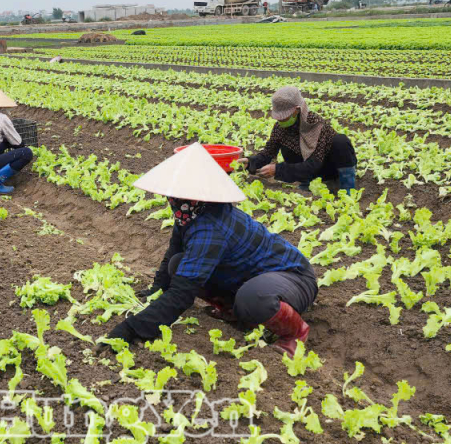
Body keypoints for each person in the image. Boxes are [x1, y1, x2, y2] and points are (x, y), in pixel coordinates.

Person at [104, 143, 317, 356]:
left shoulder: (211, 226)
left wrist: (129, 330)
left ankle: (295, 333)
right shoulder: (191, 212)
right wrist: (157, 288)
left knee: (251, 299)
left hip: (293, 278)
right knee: (177, 264)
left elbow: (182, 294)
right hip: (249, 275)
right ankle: (233, 310)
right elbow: (175, 248)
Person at [240, 86, 357, 193]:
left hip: (327, 170)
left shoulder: (316, 125)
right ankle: (307, 183)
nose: (280, 120)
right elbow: (268, 152)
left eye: (284, 116)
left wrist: (278, 170)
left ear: (296, 110)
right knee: (289, 147)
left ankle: (345, 188)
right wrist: (251, 162)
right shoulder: (280, 128)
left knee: (340, 141)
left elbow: (314, 164)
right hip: (307, 174)